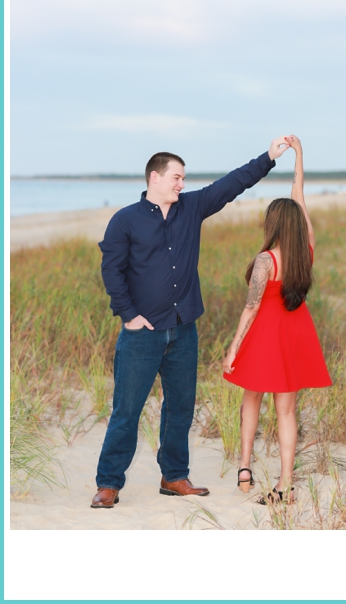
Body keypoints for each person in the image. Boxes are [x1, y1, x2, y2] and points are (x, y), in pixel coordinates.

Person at [92, 137, 290, 509]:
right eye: (177, 177)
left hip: (184, 330)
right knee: (126, 410)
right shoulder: (125, 220)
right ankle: (108, 484)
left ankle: (174, 477)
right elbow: (112, 270)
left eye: (183, 179)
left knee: (181, 407)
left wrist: (268, 158)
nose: (182, 184)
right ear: (155, 177)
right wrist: (129, 316)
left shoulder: (192, 208)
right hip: (142, 334)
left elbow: (232, 184)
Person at [222, 135, 332, 504]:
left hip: (266, 336)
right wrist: (300, 155)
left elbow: (250, 308)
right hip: (297, 334)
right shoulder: (307, 250)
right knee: (287, 410)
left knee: (251, 398)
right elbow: (299, 195)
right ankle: (286, 483)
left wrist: (233, 349)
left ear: (273, 224)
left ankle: (244, 467)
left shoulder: (266, 260)